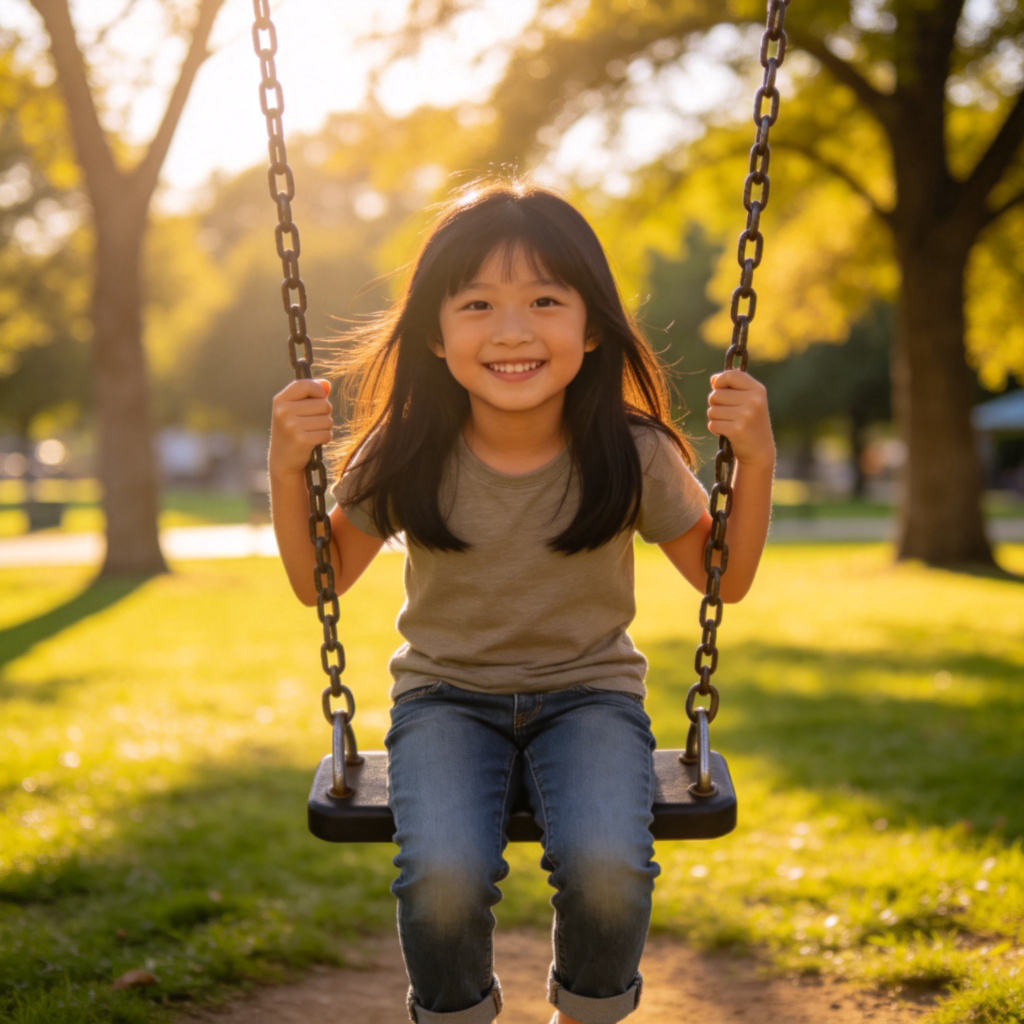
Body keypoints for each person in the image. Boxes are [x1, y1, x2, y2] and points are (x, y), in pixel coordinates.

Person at [268, 178, 774, 1024]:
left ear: (590, 326)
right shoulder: (406, 450)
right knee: (443, 879)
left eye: (545, 298)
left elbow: (723, 578)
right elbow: (319, 578)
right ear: (434, 333)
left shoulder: (632, 450)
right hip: (443, 700)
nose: (512, 330)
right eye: (476, 304)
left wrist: (753, 459)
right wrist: (288, 468)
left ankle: (587, 1011)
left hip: (592, 698)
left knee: (610, 866)